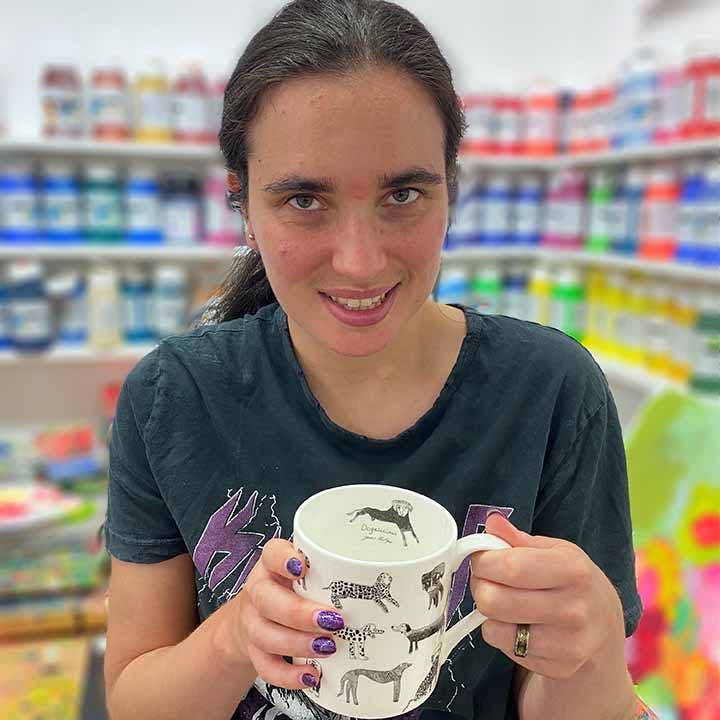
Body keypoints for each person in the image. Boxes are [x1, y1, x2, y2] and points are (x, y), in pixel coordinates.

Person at [103, 1, 656, 719]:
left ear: (451, 188)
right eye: (305, 199)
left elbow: (564, 699)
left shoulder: (551, 391)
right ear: (243, 204)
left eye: (403, 193)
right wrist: (234, 639)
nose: (360, 263)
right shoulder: (173, 398)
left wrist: (593, 650)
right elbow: (133, 700)